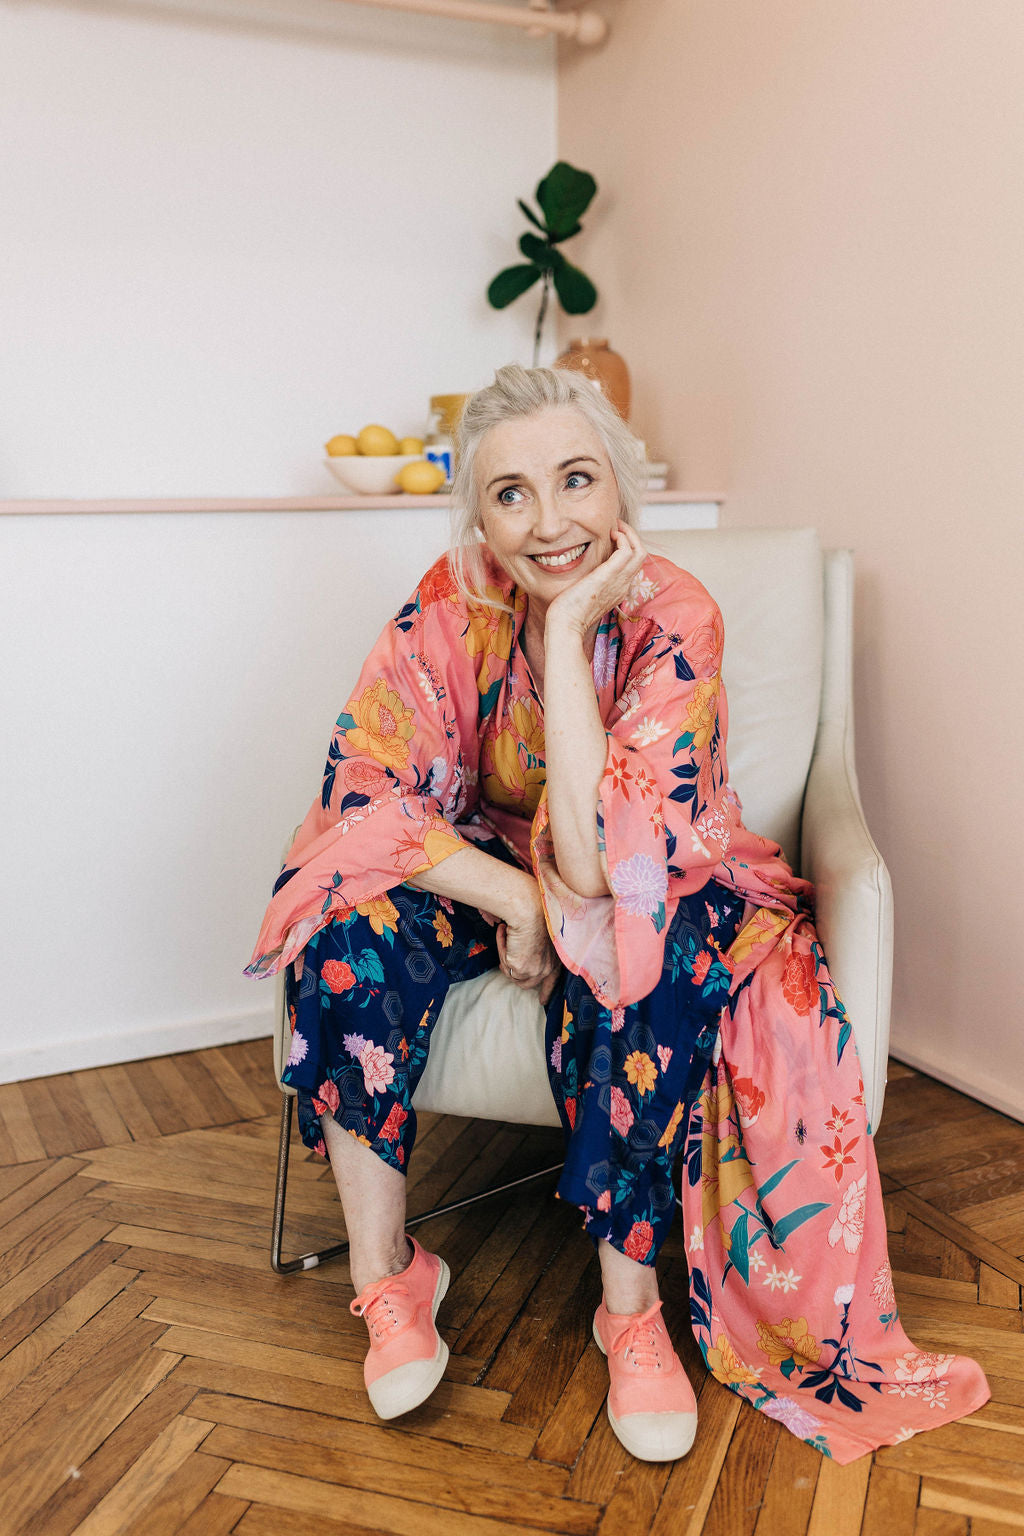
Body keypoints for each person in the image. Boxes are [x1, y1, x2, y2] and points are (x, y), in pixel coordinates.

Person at [246, 365, 988, 1465]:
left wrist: (563, 634)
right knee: (344, 936)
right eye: (510, 495)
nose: (547, 525)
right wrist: (509, 898)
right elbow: (361, 788)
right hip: (499, 858)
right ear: (479, 514)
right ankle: (387, 1277)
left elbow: (601, 872)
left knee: (632, 961)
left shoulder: (677, 614)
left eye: (575, 480)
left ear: (620, 485)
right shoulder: (450, 600)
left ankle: (628, 1310)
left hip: (660, 873)